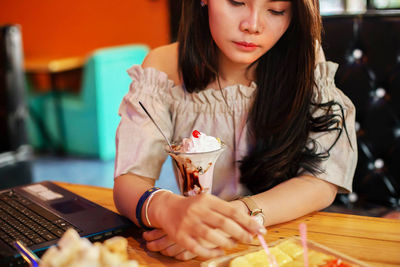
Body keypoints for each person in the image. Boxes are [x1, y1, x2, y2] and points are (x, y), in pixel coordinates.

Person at [113, 0, 357, 261]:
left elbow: (321, 180)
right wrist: (167, 208)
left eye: (276, 10)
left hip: (285, 241)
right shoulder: (164, 67)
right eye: (237, 2)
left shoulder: (303, 58)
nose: (252, 26)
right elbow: (129, 180)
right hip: (202, 251)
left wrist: (234, 218)